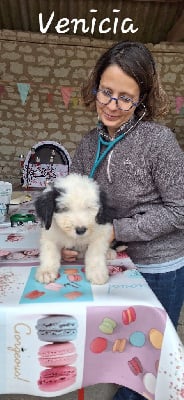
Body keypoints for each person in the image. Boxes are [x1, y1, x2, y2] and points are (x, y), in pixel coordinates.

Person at [62, 41, 184, 400]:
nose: (112, 106)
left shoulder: (159, 142)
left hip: (160, 268)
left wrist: (116, 230)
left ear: (142, 98)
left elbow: (180, 210)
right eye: (106, 92)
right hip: (119, 264)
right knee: (119, 352)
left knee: (144, 364)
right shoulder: (88, 144)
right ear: (95, 86)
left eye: (125, 98)